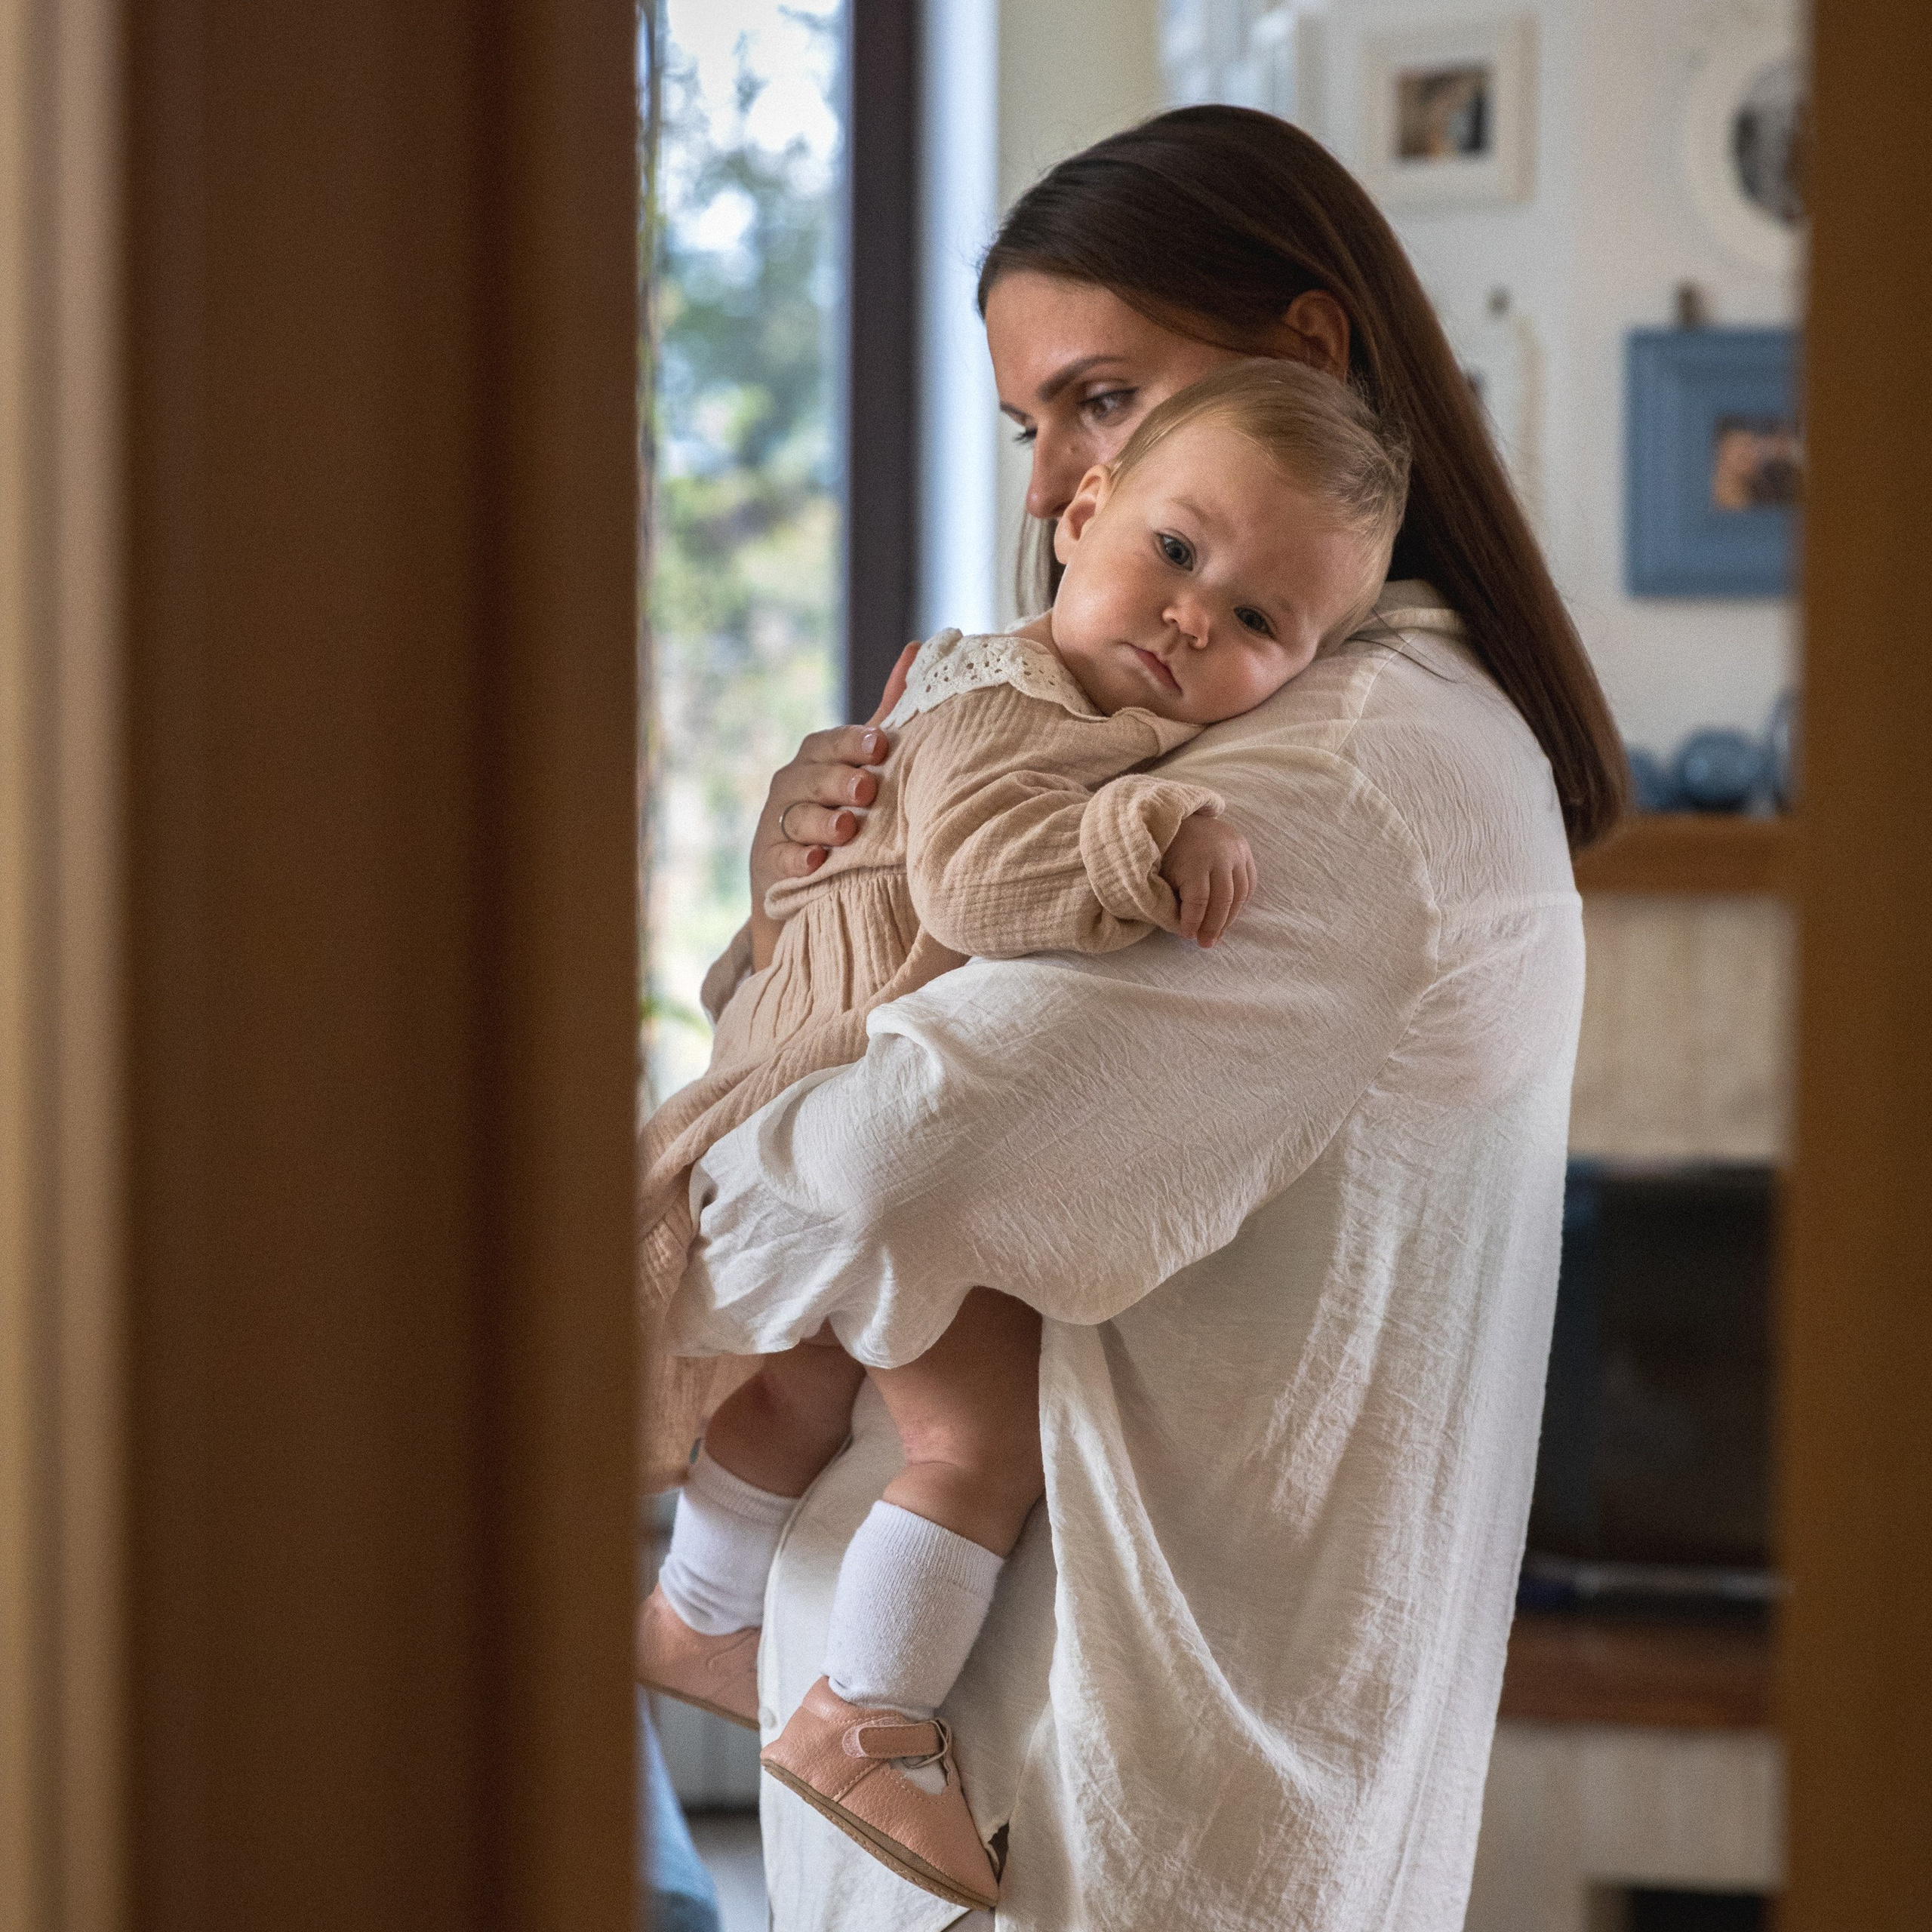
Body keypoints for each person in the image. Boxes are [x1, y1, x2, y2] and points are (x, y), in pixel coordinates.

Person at [657, 104, 1625, 1932]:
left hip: (1075, 1822)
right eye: (1033, 427)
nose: (1042, 492)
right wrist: (819, 907)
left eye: (1097, 400)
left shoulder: (1325, 782)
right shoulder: (1256, 744)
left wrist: (716, 1128)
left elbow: (860, 1181)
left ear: (1305, 359)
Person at [636, 360, 1412, 1912]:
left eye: (1261, 622)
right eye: (1179, 554)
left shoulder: (967, 678)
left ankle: (690, 1612)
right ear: (1084, 511)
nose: (1196, 615)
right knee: (973, 1439)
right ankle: (869, 1716)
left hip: (793, 1085)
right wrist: (1147, 834)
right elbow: (988, 885)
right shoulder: (1026, 713)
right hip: (848, 1106)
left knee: (799, 1383)